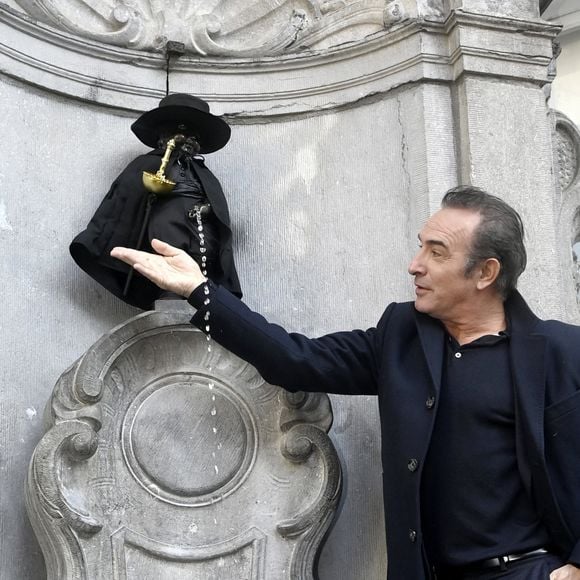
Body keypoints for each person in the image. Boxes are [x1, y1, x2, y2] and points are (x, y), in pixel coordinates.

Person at [110, 186, 580, 580]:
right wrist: (200, 291)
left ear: (485, 272)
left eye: (436, 253)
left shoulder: (562, 351)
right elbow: (294, 360)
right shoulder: (401, 337)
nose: (415, 265)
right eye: (421, 246)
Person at [70, 93, 242, 310]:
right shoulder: (148, 163)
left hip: (199, 225)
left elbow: (217, 207)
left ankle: (196, 291)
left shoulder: (203, 173)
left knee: (203, 252)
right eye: (178, 131)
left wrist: (206, 208)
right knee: (165, 231)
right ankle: (169, 291)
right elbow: (125, 197)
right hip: (166, 223)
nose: (184, 138)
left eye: (191, 135)